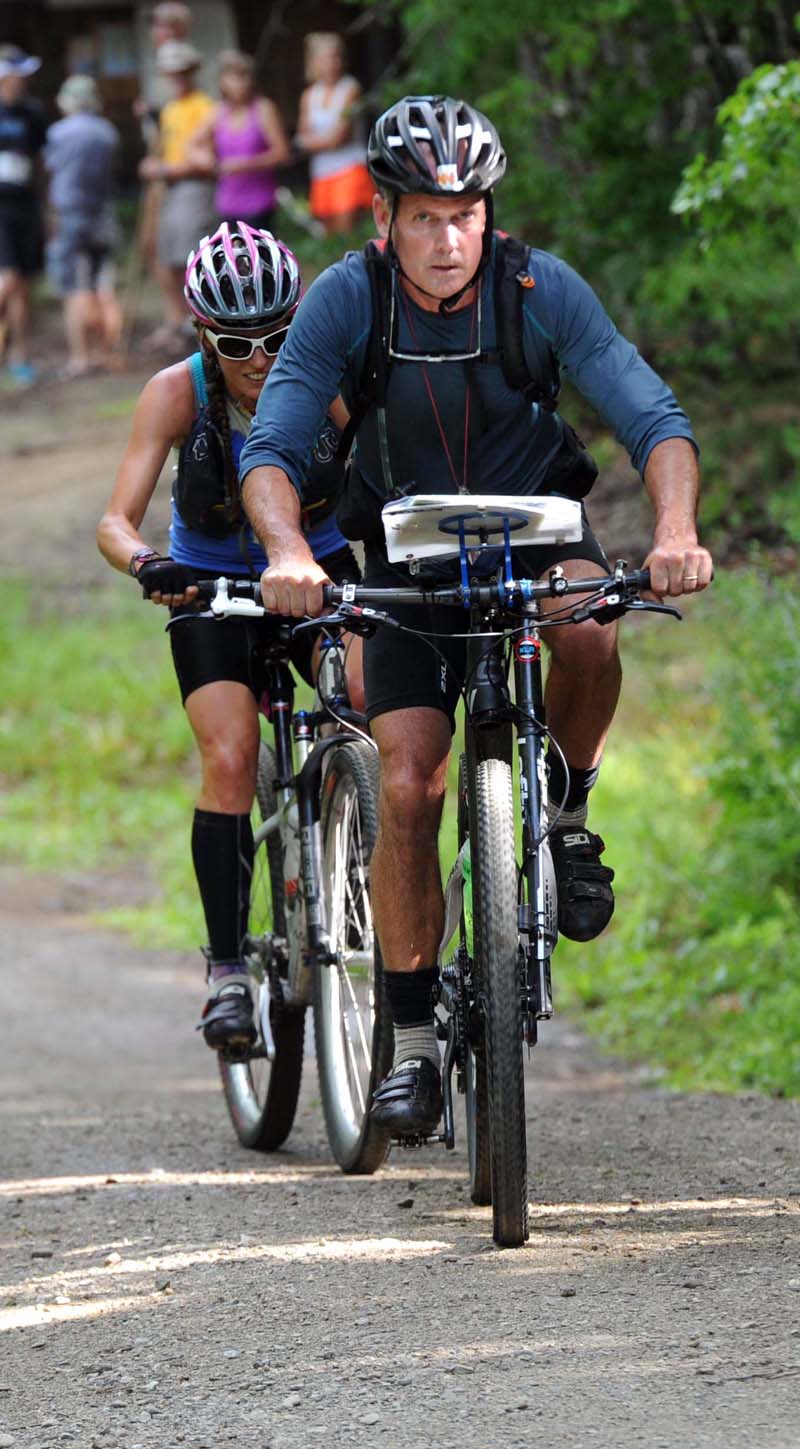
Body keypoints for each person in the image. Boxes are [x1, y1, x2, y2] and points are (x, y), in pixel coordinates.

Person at [238, 95, 714, 1135]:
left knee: (589, 626)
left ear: (488, 215)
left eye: (464, 215)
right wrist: (284, 551)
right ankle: (409, 1041)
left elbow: (653, 417)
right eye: (423, 217)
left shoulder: (539, 289)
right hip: (404, 562)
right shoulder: (345, 301)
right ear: (385, 219)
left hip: (536, 533)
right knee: (407, 780)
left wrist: (672, 530)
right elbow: (270, 448)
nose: (447, 239)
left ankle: (567, 811)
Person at [97, 223, 363, 1052]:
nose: (260, 358)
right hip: (208, 582)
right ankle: (225, 969)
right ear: (203, 336)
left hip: (317, 566)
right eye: (237, 341)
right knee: (230, 756)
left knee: (366, 704)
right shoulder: (175, 394)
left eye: (279, 336)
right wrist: (148, 563)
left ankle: (355, 842)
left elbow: (386, 472)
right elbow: (114, 520)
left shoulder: (331, 384)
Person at [138, 41, 215, 353]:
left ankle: (201, 321)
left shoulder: (204, 106)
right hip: (170, 187)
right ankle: (180, 320)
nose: (177, 77)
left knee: (189, 256)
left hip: (195, 187)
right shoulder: (169, 109)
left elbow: (206, 159)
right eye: (172, 72)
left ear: (192, 72)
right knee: (164, 255)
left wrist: (165, 168)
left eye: (182, 72)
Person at [44, 74, 122, 378]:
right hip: (103, 213)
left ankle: (81, 356)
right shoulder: (107, 132)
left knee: (75, 288)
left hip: (70, 216)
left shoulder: (59, 133)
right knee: (103, 286)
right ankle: (109, 351)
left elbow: (50, 171)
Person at [187, 50, 290, 233]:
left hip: (259, 202)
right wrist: (204, 158)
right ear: (223, 82)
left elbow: (282, 153)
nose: (241, 84)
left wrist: (245, 164)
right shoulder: (217, 112)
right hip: (227, 203)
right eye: (235, 78)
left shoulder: (263, 109)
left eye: (245, 77)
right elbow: (191, 145)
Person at [0, 45, 47, 386]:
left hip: (26, 205)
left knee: (23, 286)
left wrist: (48, 208)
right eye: (18, 75)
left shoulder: (33, 112)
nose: (23, 81)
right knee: (9, 279)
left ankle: (20, 356)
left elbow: (41, 164)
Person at [295, 33, 374, 234]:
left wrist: (314, 141)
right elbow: (301, 138)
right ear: (314, 62)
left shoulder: (350, 88)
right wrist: (323, 141)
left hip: (349, 167)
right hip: (321, 172)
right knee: (329, 237)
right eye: (326, 57)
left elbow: (337, 138)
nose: (333, 62)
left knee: (346, 233)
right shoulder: (309, 95)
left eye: (336, 56)